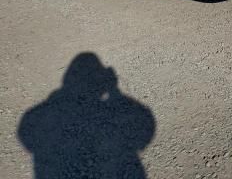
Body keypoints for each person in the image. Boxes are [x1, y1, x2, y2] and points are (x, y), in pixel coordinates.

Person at [18, 53, 155, 179]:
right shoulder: (42, 114)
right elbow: (146, 125)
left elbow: (27, 133)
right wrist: (115, 92)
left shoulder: (41, 114)